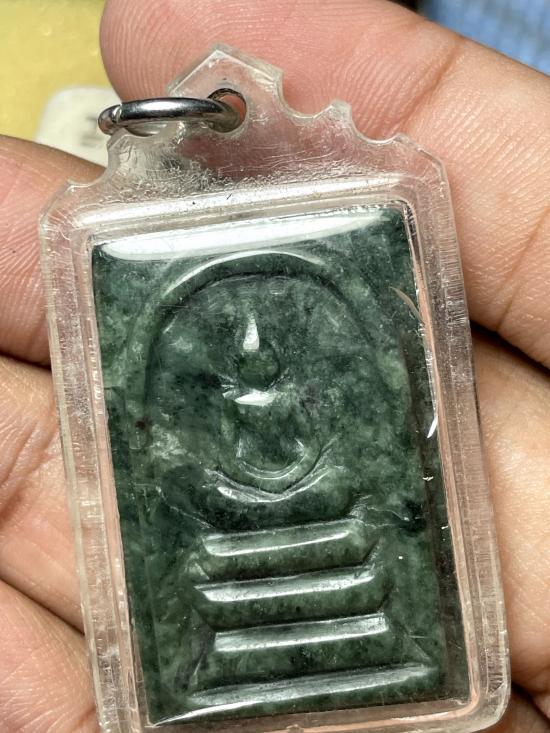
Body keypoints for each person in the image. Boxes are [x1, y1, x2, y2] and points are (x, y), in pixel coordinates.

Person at [0, 1, 548, 731]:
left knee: (356, 513)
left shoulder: (342, 299)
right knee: (207, 543)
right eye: (242, 365)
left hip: (330, 520)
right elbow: (186, 466)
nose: (257, 366)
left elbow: (363, 453)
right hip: (235, 535)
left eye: (271, 360)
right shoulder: (179, 345)